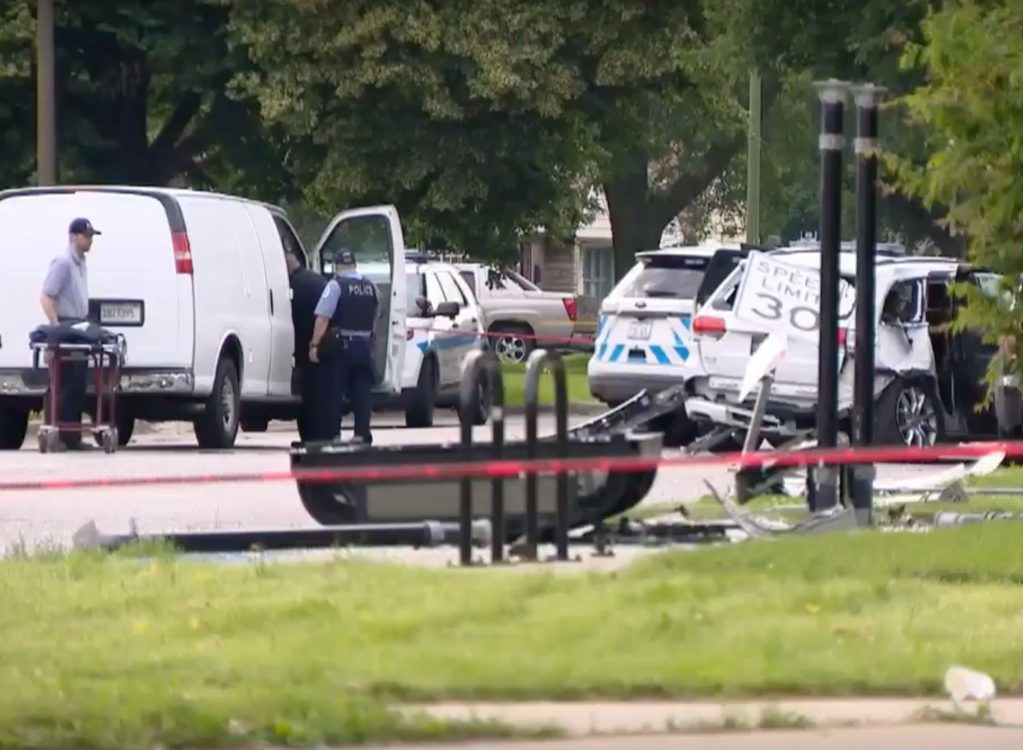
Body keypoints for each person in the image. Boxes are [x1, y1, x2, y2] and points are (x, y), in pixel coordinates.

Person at [39, 217, 99, 449]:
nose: (90, 240)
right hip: (66, 326)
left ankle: (72, 437)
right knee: (63, 383)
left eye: (91, 236)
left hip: (79, 327)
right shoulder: (63, 262)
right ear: (73, 237)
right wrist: (57, 326)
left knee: (77, 384)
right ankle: (59, 434)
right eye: (86, 236)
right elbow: (46, 296)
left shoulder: (80, 262)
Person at [309, 249, 379, 444]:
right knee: (362, 393)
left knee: (333, 392)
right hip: (364, 347)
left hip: (341, 347)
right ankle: (362, 434)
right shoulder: (370, 287)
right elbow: (375, 319)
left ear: (337, 266)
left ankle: (334, 435)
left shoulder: (335, 285)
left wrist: (315, 345)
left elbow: (322, 318)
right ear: (355, 265)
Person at [284, 248, 328, 442]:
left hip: (298, 345)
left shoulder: (287, 286)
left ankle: (308, 436)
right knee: (319, 394)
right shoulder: (320, 282)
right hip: (320, 346)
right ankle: (321, 434)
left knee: (305, 396)